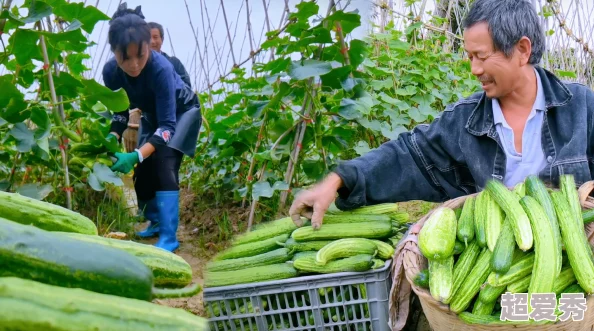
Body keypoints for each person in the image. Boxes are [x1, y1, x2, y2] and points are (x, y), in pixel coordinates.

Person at [290, 0, 594, 228]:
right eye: (469, 57)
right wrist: (337, 180)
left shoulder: (581, 107)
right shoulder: (465, 122)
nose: (474, 69)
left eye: (482, 57)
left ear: (522, 50)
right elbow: (407, 155)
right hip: (499, 271)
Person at [102, 3, 202, 252]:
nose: (134, 64)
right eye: (126, 57)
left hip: (182, 112)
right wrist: (113, 135)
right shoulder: (111, 74)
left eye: (141, 55)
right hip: (153, 115)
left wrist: (135, 154)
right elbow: (121, 111)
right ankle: (156, 222)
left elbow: (168, 127)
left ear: (149, 47)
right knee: (143, 172)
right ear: (114, 52)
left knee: (164, 162)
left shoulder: (161, 69)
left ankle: (169, 236)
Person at [147, 21, 192, 88]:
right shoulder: (137, 65)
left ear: (162, 39)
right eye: (149, 38)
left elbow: (187, 88)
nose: (152, 42)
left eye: (155, 37)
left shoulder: (174, 62)